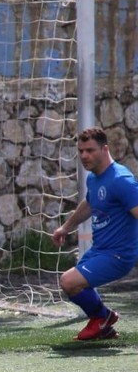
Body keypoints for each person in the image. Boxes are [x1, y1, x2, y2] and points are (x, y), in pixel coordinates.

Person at [51, 126, 138, 341]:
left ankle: (102, 317)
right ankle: (104, 323)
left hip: (118, 255)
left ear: (105, 149)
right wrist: (65, 227)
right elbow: (90, 203)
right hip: (99, 250)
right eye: (81, 151)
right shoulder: (94, 178)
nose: (84, 156)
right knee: (72, 287)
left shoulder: (121, 180)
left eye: (90, 150)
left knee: (69, 281)